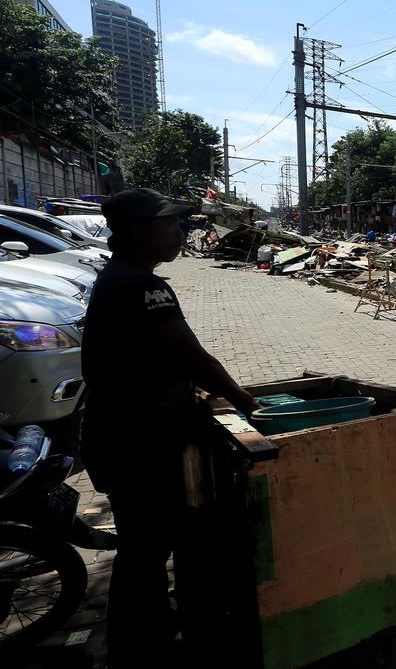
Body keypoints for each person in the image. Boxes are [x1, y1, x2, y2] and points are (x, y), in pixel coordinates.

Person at [80, 188, 259, 665]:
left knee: (145, 544)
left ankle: (147, 623)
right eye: (170, 224)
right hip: (137, 440)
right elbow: (190, 354)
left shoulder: (119, 277)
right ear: (138, 230)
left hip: (123, 432)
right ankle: (140, 641)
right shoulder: (142, 286)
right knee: (147, 546)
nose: (180, 233)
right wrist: (242, 400)